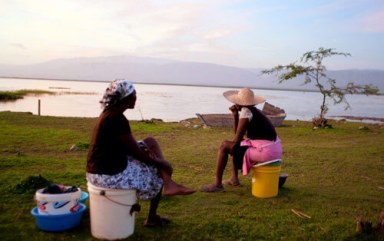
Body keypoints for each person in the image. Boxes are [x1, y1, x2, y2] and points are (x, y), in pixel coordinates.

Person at [86, 79, 195, 227]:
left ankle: (169, 184)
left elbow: (124, 146)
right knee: (156, 170)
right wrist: (161, 163)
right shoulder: (116, 118)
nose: (136, 97)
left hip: (103, 169)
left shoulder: (109, 114)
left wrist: (147, 154)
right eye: (133, 94)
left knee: (150, 142)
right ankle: (152, 217)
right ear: (125, 98)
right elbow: (136, 153)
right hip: (106, 175)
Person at [200, 87, 282, 192]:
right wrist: (235, 115)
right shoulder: (253, 111)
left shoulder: (246, 111)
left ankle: (218, 184)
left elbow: (236, 139)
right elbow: (238, 137)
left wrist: (229, 144)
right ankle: (234, 179)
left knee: (224, 145)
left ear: (239, 103)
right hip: (273, 150)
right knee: (238, 145)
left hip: (266, 151)